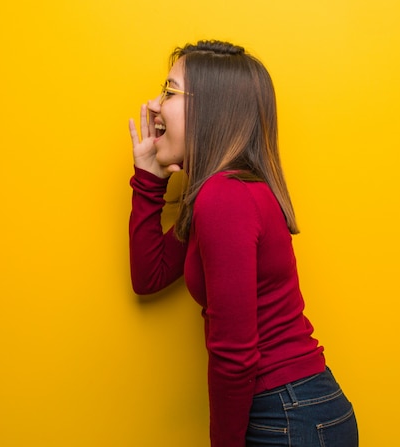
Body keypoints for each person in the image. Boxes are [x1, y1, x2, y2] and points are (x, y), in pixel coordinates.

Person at [127, 40, 358, 447]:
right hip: (296, 410)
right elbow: (150, 276)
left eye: (169, 91)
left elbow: (234, 355)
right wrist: (150, 180)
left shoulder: (224, 197)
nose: (153, 104)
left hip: (287, 414)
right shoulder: (218, 193)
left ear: (210, 109)